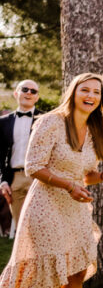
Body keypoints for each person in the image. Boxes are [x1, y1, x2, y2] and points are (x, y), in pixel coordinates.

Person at [0, 73, 103, 288]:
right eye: (85, 89)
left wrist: (102, 176)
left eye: (96, 92)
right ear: (73, 92)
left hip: (76, 210)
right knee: (51, 275)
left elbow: (86, 175)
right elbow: (34, 166)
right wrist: (69, 186)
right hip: (46, 206)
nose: (90, 95)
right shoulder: (51, 122)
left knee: (77, 272)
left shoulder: (94, 130)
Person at [0, 80, 44, 233]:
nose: (29, 93)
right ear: (16, 93)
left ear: (37, 97)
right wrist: (3, 181)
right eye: (25, 89)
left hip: (41, 179)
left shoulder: (46, 120)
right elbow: (1, 155)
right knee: (21, 233)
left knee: (41, 229)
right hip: (15, 179)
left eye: (33, 91)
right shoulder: (3, 122)